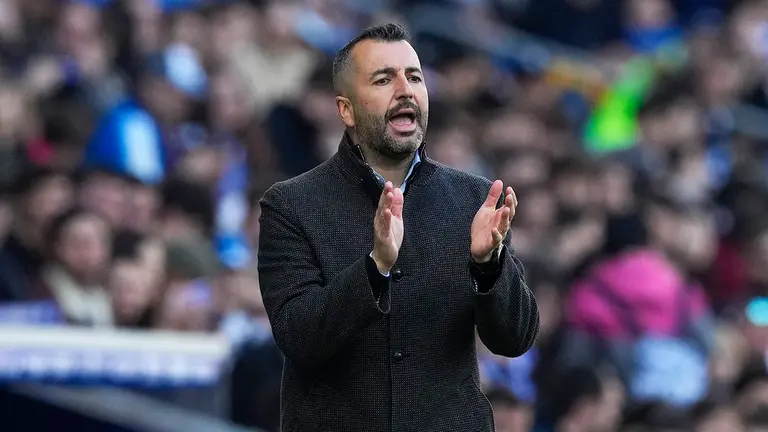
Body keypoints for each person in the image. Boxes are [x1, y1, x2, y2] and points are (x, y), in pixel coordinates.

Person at [257, 23, 539, 432]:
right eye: (383, 79)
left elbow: (515, 340)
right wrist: (374, 269)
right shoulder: (291, 206)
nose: (405, 90)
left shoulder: (476, 200)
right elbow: (299, 338)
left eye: (414, 76)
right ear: (346, 109)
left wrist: (489, 265)